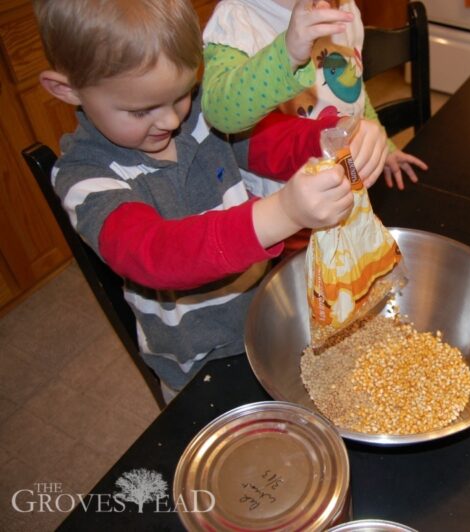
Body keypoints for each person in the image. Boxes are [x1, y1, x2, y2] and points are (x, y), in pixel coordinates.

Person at [32, 0, 355, 400]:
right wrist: (282, 213)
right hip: (199, 368)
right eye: (140, 110)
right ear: (66, 89)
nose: (171, 121)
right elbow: (155, 254)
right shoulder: (82, 176)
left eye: (182, 94)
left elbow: (264, 144)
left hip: (269, 319)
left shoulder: (199, 113)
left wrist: (330, 139)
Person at [202, 0, 428, 195]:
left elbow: (354, 95)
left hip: (344, 186)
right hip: (285, 210)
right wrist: (287, 54)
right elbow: (219, 113)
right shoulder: (238, 19)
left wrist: (384, 147)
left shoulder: (344, 7)